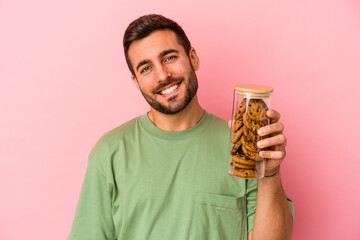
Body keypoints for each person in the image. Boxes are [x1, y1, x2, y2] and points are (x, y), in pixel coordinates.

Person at [68, 14, 294, 240]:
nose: (162, 75)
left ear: (193, 57)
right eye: (146, 68)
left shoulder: (241, 146)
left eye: (169, 57)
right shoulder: (110, 152)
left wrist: (270, 174)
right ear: (136, 81)